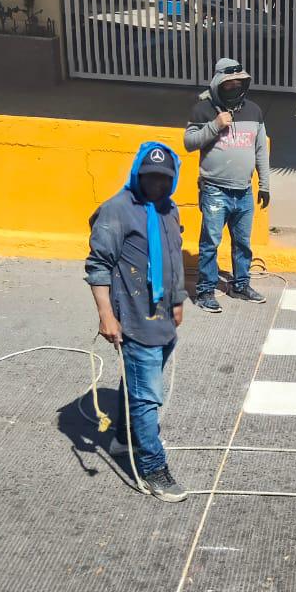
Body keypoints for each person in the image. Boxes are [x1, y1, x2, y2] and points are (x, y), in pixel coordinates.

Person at [85, 142, 189, 503]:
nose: (156, 185)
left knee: (137, 381)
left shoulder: (168, 209)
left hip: (162, 317)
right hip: (132, 316)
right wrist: (106, 316)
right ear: (137, 175)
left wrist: (177, 300)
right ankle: (153, 468)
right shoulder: (117, 210)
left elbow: (174, 255)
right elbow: (97, 265)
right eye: (150, 178)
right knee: (147, 396)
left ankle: (125, 437)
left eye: (163, 179)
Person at [185, 57, 271, 308]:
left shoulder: (254, 111)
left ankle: (241, 285)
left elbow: (260, 150)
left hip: (244, 190)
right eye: (228, 84)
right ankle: (205, 292)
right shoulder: (203, 110)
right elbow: (189, 143)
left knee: (243, 242)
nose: (233, 88)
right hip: (214, 190)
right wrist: (215, 125)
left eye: (238, 83)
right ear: (217, 84)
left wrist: (264, 184)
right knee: (210, 242)